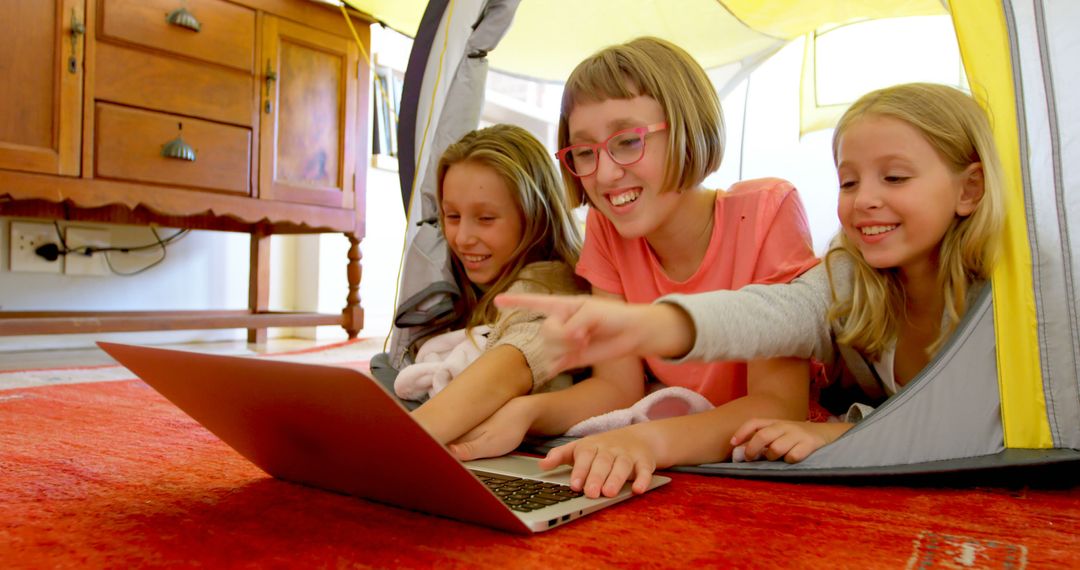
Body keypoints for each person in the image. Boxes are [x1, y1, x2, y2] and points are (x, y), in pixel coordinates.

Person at [497, 82, 1005, 465]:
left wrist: (849, 434)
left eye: (894, 177)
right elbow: (772, 312)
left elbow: (979, 425)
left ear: (970, 189)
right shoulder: (852, 277)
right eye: (849, 181)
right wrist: (654, 325)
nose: (865, 199)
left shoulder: (1010, 296)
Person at [448, 37, 820, 497]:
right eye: (585, 152)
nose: (604, 175)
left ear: (687, 128)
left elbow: (781, 405)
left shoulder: (767, 209)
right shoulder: (607, 230)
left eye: (627, 142)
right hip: (690, 460)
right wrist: (526, 413)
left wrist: (645, 440)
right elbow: (617, 387)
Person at [405, 124, 586, 445]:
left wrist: (389, 445)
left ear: (535, 218)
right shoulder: (472, 279)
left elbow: (517, 359)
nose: (462, 239)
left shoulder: (548, 286)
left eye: (486, 218)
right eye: (452, 216)